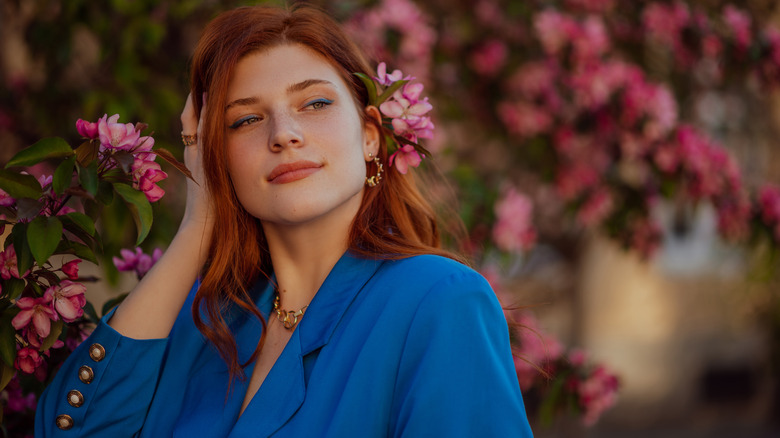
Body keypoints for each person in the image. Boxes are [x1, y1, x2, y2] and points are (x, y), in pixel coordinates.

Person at [35, 5, 534, 437]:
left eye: (314, 103)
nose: (284, 134)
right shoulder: (207, 320)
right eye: (246, 119)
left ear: (370, 136)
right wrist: (196, 227)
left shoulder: (437, 301)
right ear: (218, 159)